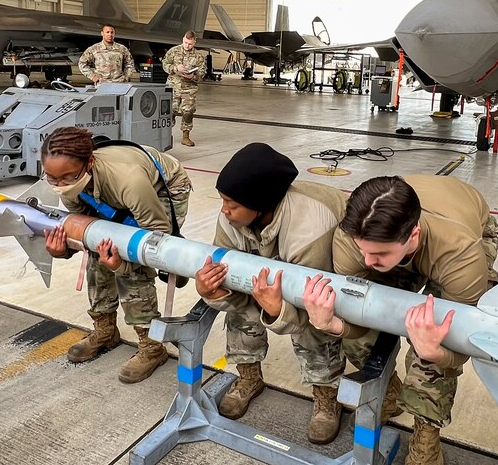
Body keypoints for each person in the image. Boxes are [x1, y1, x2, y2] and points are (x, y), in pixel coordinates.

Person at [302, 175, 498, 465]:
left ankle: (427, 450)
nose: (366, 261)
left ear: (413, 236)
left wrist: (437, 353)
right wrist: (335, 325)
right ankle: (390, 395)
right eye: (362, 249)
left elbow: (466, 343)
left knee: (432, 354)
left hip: (463, 228)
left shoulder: (460, 255)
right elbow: (358, 312)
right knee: (358, 330)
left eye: (377, 254)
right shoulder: (354, 242)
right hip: (409, 231)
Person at [193, 143, 362, 443]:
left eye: (231, 203)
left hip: (323, 274)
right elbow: (231, 284)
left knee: (318, 322)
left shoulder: (311, 227)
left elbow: (312, 309)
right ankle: (249, 378)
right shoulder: (233, 217)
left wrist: (276, 310)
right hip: (279, 261)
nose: (224, 210)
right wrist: (214, 293)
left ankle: (326, 395)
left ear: (260, 203)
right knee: (241, 307)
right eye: (223, 201)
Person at [40, 126, 192, 383]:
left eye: (67, 177)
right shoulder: (71, 181)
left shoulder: (129, 180)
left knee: (132, 265)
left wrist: (122, 264)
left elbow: (156, 238)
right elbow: (84, 232)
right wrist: (62, 250)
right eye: (52, 179)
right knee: (99, 254)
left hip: (162, 188)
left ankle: (152, 346)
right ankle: (105, 329)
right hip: (119, 189)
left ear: (90, 163)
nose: (60, 186)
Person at [161, 30, 203, 147]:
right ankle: (166, 135)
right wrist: (175, 68)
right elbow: (165, 64)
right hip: (173, 87)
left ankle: (186, 137)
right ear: (183, 39)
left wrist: (193, 76)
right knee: (169, 111)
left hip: (188, 89)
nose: (187, 45)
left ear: (194, 42)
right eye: (185, 42)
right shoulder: (173, 51)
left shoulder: (199, 56)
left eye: (190, 43)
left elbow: (202, 73)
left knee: (188, 112)